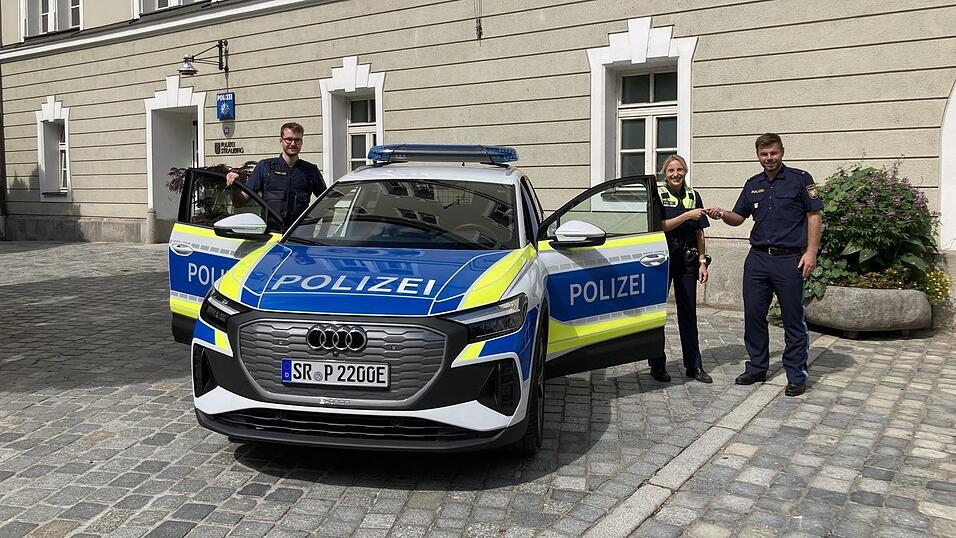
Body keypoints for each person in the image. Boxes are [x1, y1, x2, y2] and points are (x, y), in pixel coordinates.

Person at [705, 133, 823, 397]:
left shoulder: (800, 179)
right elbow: (738, 217)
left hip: (789, 260)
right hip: (757, 259)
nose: (769, 158)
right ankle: (757, 368)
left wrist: (811, 252)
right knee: (753, 316)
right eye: (764, 154)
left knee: (793, 319)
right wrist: (722, 214)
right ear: (758, 156)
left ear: (782, 152)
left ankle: (796, 375)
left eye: (773, 153)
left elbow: (814, 216)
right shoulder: (753, 184)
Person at [649, 155, 713, 384]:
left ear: (685, 171)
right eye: (671, 170)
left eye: (679, 170)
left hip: (687, 260)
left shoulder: (693, 195)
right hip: (661, 259)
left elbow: (699, 232)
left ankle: (694, 365)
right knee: (658, 314)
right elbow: (659, 226)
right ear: (665, 173)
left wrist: (702, 262)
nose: (675, 174)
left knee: (688, 313)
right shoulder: (657, 194)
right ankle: (657, 365)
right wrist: (686, 215)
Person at [226, 122, 326, 228]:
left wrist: (316, 226)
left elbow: (327, 203)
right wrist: (235, 185)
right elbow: (239, 202)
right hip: (271, 234)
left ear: (302, 142)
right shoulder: (265, 167)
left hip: (300, 235)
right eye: (289, 139)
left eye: (297, 140)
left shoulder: (310, 170)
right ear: (281, 141)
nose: (293, 143)